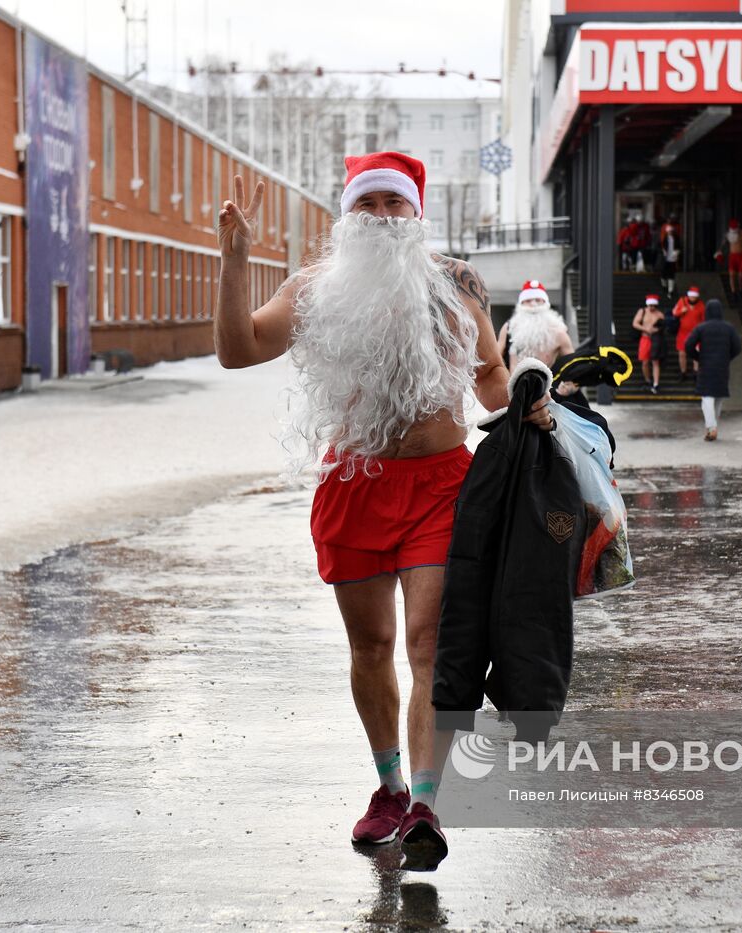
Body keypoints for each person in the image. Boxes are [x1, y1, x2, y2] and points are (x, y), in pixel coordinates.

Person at [212, 151, 554, 869]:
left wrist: (527, 400)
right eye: (367, 204)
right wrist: (235, 259)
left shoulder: (456, 282)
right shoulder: (314, 288)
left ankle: (427, 802)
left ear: (415, 213)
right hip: (355, 486)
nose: (381, 216)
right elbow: (238, 350)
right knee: (370, 648)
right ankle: (390, 788)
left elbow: (489, 374)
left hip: (439, 488)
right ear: (348, 216)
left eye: (394, 204)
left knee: (428, 644)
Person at [683, 299, 742, 441]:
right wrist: (727, 357)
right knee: (718, 398)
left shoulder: (701, 328)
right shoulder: (729, 328)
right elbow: (738, 347)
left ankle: (711, 427)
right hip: (722, 367)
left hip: (706, 366)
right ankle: (713, 426)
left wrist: (698, 357)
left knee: (707, 398)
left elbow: (688, 345)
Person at [497, 279, 574, 373]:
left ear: (545, 303)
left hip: (546, 385)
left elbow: (571, 364)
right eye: (528, 300)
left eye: (538, 300)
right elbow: (496, 358)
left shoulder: (558, 331)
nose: (533, 304)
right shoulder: (509, 328)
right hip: (512, 385)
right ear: (521, 304)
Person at [631, 294, 667, 393]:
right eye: (650, 305)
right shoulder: (642, 311)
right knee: (645, 361)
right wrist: (646, 329)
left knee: (655, 361)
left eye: (653, 306)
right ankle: (648, 380)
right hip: (645, 338)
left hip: (656, 339)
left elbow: (663, 327)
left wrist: (656, 329)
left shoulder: (659, 314)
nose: (652, 308)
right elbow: (635, 323)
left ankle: (656, 383)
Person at [671, 284, 706, 382]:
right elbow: (674, 313)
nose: (692, 298)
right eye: (691, 296)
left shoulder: (701, 306)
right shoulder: (682, 301)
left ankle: (696, 372)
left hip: (696, 334)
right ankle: (683, 372)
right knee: (682, 353)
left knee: (696, 353)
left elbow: (704, 320)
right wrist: (681, 311)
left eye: (694, 297)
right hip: (682, 332)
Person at [715, 218, 742, 300]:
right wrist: (719, 251)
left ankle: (740, 290)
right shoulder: (728, 234)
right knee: (732, 275)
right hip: (732, 256)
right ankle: (733, 292)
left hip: (741, 256)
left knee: (741, 275)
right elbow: (724, 244)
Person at [656, 216, 682, 298]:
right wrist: (663, 251)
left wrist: (677, 252)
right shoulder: (664, 240)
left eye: (671, 231)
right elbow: (660, 247)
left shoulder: (676, 239)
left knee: (671, 275)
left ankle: (670, 291)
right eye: (669, 231)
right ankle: (664, 287)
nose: (670, 232)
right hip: (665, 259)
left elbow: (679, 247)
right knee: (663, 274)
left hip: (672, 259)